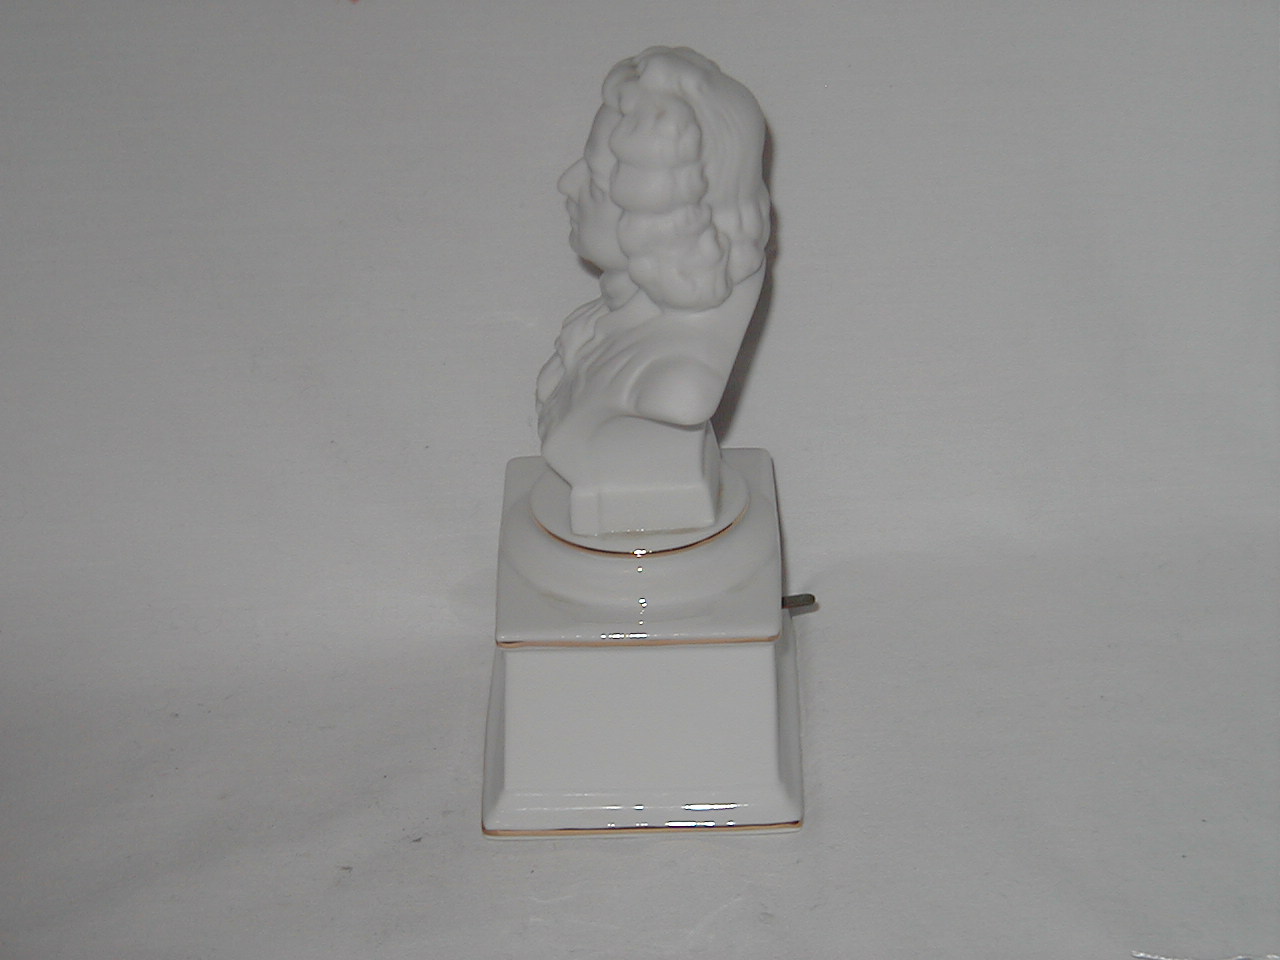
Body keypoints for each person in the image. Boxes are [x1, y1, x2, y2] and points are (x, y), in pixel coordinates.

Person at [536, 47, 771, 537]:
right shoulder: (607, 320)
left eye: (596, 180)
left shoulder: (675, 383)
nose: (565, 183)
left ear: (658, 216)